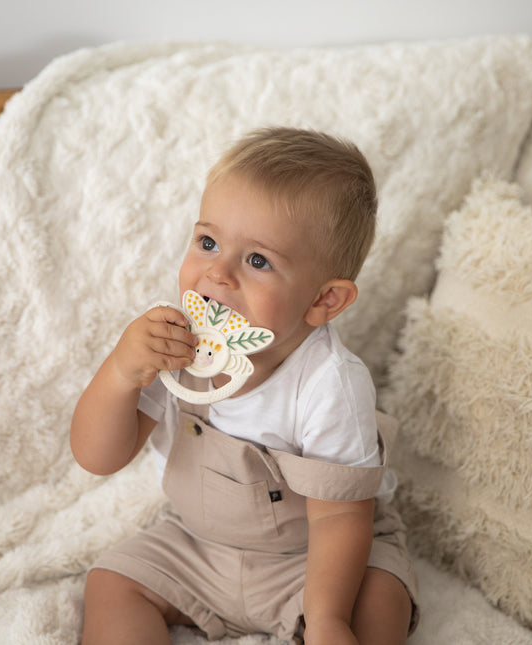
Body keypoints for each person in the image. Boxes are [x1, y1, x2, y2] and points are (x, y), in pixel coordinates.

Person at [70, 127, 418, 645]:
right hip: (198, 546)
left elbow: (339, 519)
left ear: (324, 300)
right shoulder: (174, 345)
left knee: (378, 602)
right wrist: (121, 373)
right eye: (208, 242)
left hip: (315, 561)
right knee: (110, 584)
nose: (218, 273)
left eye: (257, 261)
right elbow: (98, 456)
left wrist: (326, 620)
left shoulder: (330, 383)